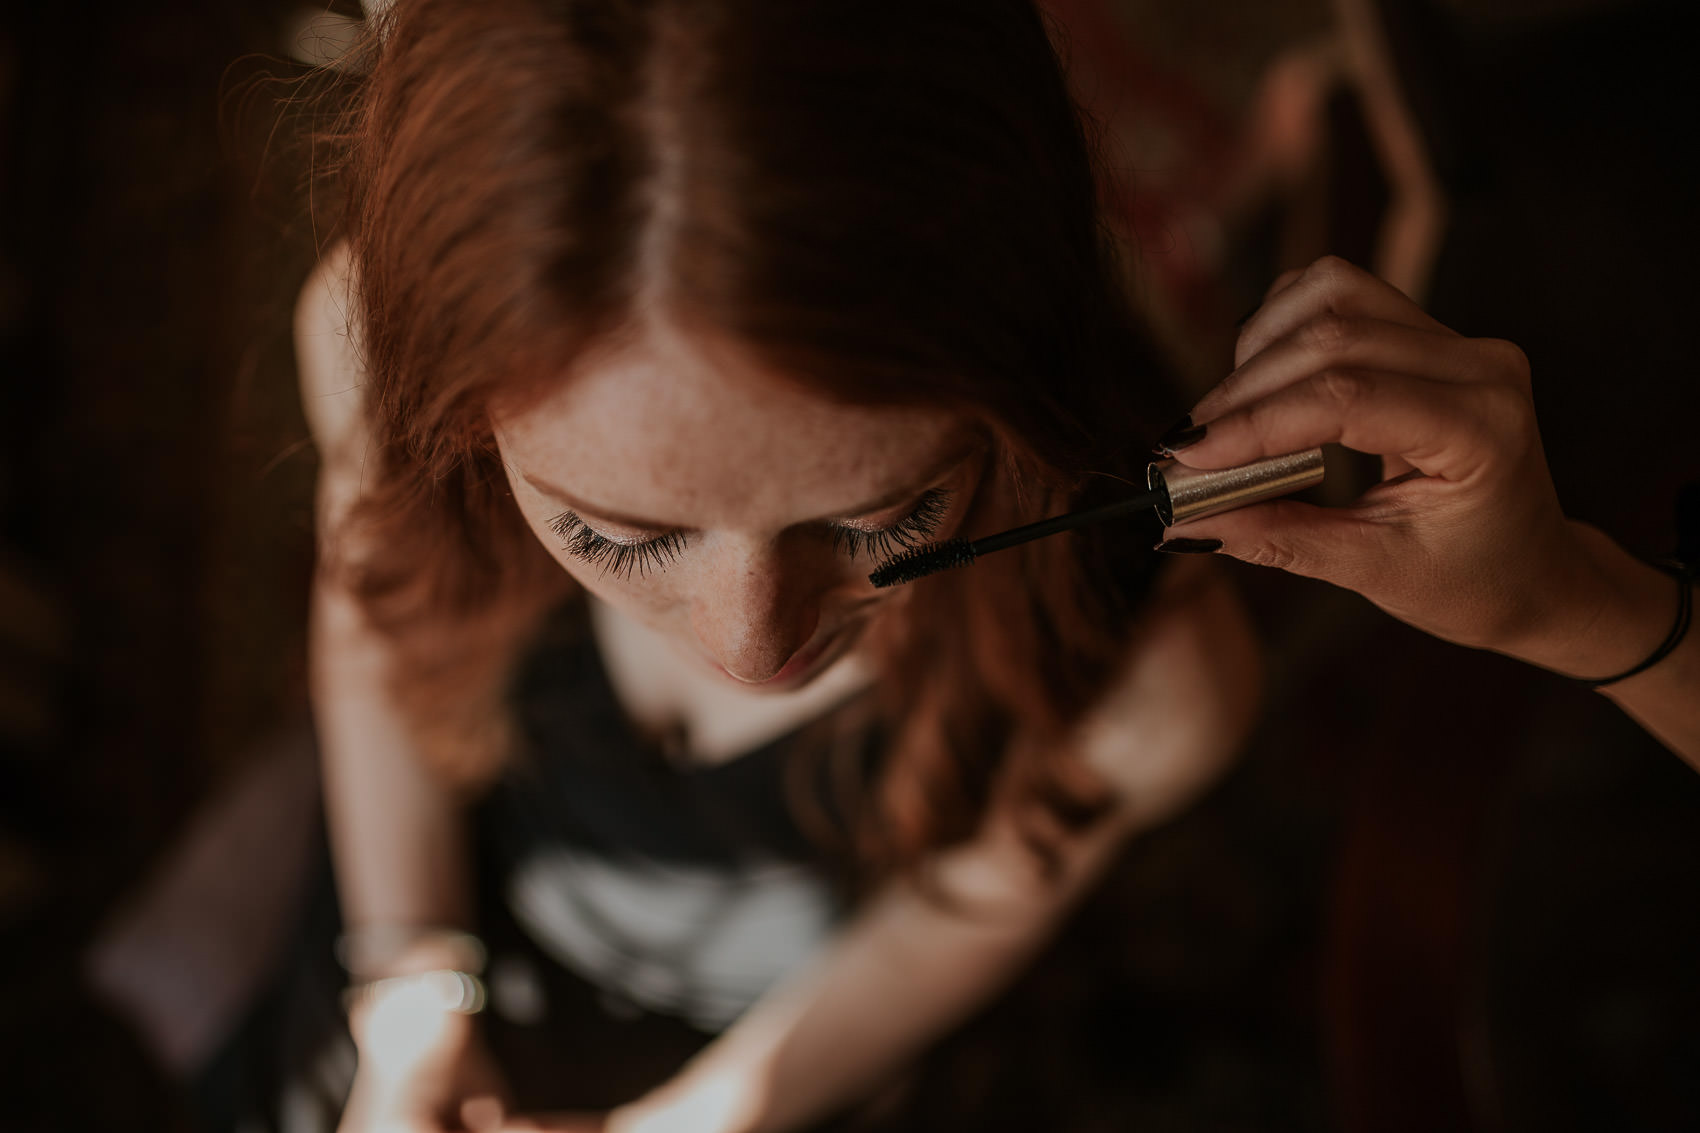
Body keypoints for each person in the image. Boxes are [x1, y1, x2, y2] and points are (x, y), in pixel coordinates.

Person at [268, 2, 1697, 1132]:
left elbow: (958, 915)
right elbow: (378, 610)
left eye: (886, 519)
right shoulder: (364, 352)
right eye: (618, 533)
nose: (755, 646)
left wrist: (687, 1123)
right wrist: (409, 986)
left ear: (1016, 386)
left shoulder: (1148, 681)